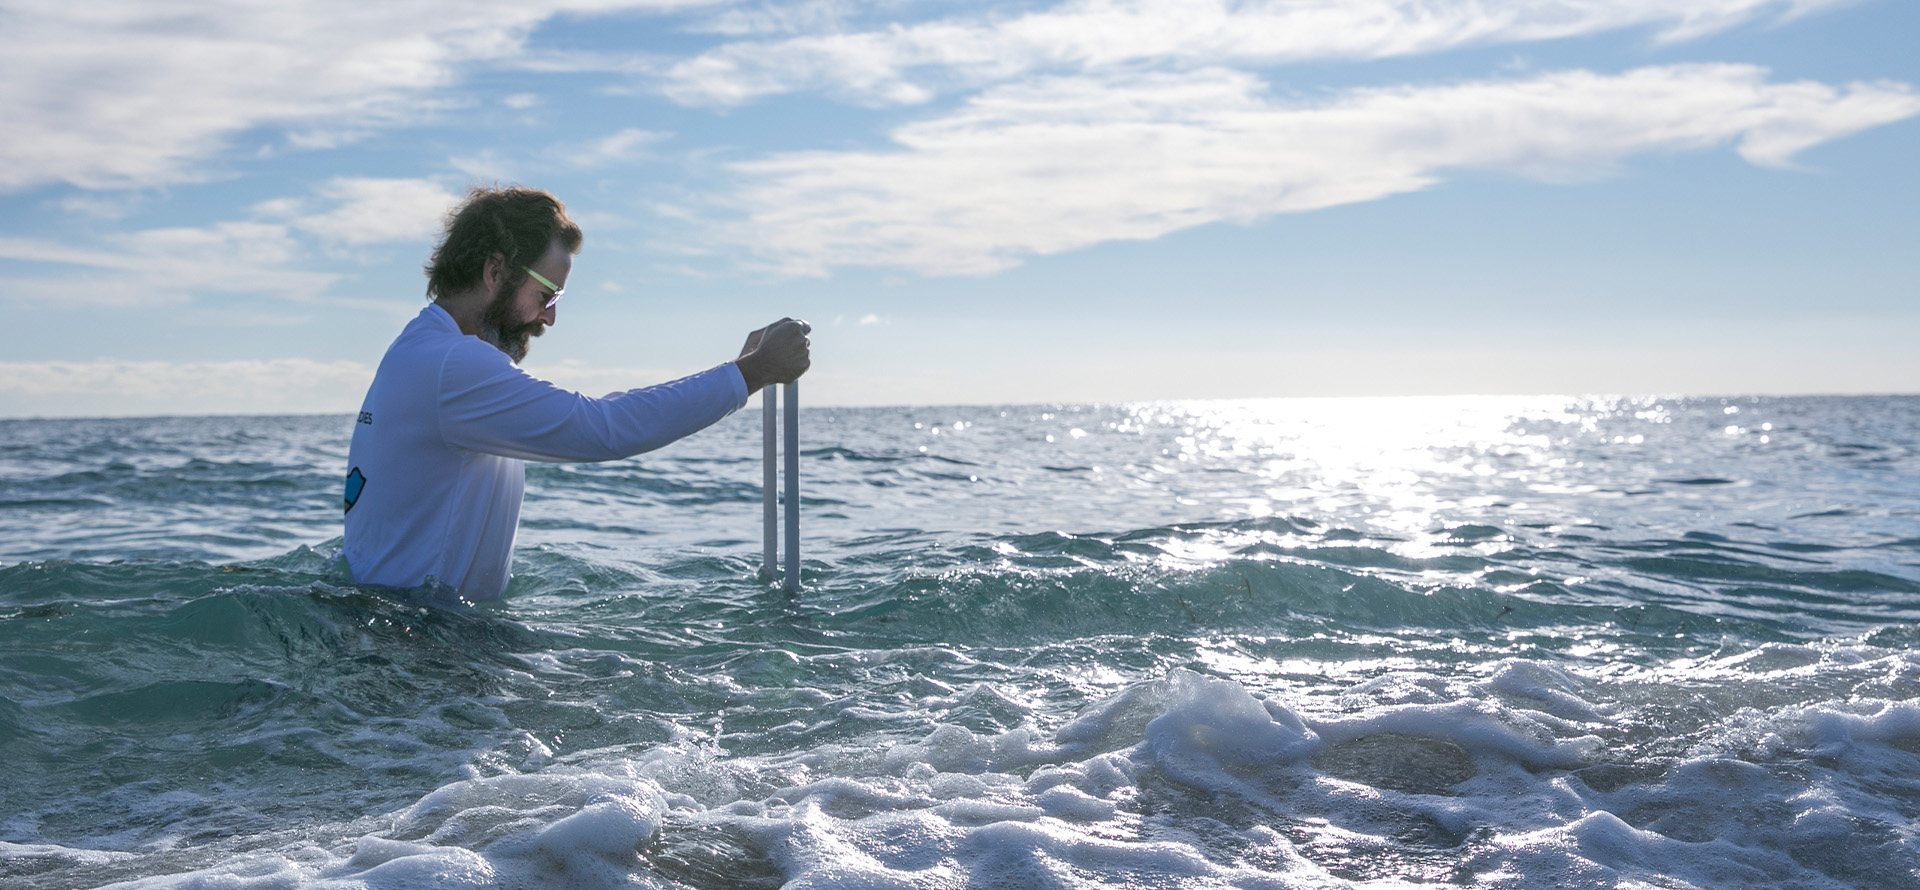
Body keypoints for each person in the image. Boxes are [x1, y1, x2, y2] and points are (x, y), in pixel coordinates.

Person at [342, 186, 810, 603]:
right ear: (494, 272)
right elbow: (599, 428)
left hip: (408, 633)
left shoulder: (420, 349)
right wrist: (750, 373)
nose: (548, 318)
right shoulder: (453, 365)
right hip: (419, 648)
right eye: (547, 294)